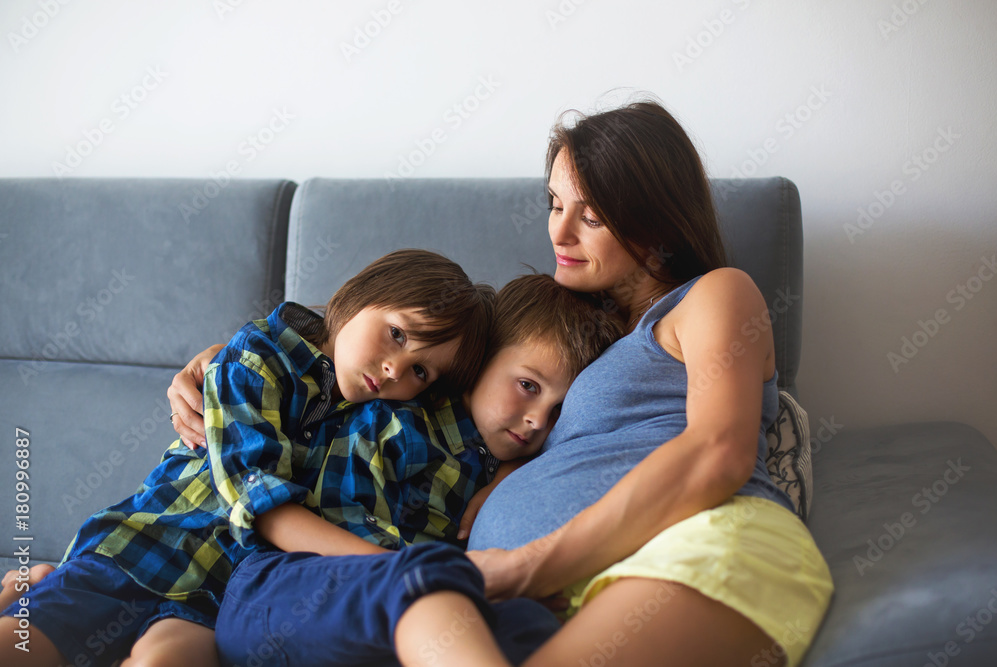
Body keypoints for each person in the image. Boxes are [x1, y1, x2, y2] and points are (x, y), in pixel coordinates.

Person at [172, 98, 834, 667]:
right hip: (539, 596)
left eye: (592, 215)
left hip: (696, 548)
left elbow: (718, 449)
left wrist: (526, 563)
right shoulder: (571, 326)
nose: (560, 230)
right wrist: (228, 357)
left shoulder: (714, 296)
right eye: (554, 203)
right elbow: (382, 332)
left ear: (657, 224)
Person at [0, 249, 494, 667]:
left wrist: (504, 474)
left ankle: (30, 584)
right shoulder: (259, 353)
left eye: (421, 372)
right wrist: (391, 569)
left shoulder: (387, 416)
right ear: (361, 295)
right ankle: (31, 588)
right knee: (26, 643)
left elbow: (490, 434)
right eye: (398, 334)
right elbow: (260, 501)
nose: (394, 369)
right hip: (151, 543)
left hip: (221, 591)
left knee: (163, 660)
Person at [210, 272, 622, 667]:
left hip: (392, 610)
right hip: (282, 584)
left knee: (524, 621)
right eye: (528, 386)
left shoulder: (499, 463)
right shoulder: (396, 407)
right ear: (474, 362)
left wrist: (510, 472)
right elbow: (341, 509)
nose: (537, 421)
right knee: (430, 587)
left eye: (558, 411)